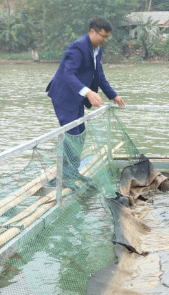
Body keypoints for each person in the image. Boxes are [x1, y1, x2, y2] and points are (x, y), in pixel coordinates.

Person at [47, 16, 126, 183]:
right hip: (64, 96)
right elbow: (68, 74)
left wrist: (113, 95)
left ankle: (72, 172)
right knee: (71, 134)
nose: (105, 40)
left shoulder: (97, 48)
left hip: (77, 97)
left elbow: (99, 75)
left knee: (80, 133)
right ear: (92, 31)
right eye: (103, 36)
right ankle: (65, 177)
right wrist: (88, 92)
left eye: (107, 37)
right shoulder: (78, 47)